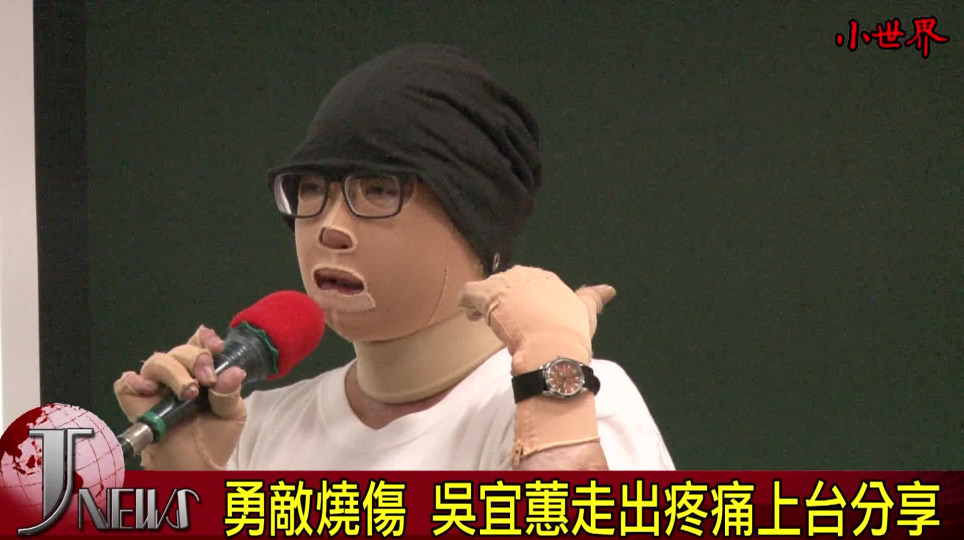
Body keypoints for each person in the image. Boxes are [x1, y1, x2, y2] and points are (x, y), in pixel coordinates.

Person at [114, 45, 673, 471]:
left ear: (474, 217)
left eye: (379, 189)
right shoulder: (260, 426)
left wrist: (555, 393)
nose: (330, 228)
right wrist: (193, 495)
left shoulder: (576, 405)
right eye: (312, 188)